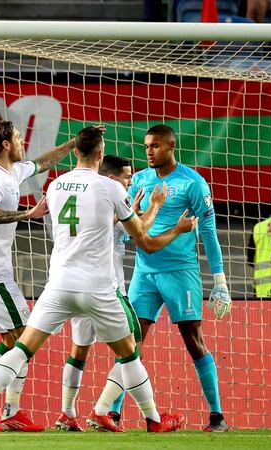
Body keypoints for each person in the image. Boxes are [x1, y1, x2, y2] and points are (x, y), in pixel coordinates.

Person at [0, 126, 186, 434]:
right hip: (97, 288)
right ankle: (154, 420)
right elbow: (141, 234)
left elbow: (42, 165)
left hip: (58, 286)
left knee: (22, 347)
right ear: (100, 154)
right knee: (129, 352)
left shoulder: (55, 186)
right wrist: (156, 207)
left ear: (76, 151)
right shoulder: (111, 189)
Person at [54, 154, 199, 432]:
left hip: (73, 282)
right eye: (126, 177)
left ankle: (67, 413)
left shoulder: (90, 201)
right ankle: (118, 412)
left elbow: (128, 222)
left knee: (79, 349)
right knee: (133, 347)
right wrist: (169, 219)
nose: (130, 182)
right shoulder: (111, 199)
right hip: (106, 289)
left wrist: (137, 211)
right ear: (111, 179)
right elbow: (147, 241)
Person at [0, 120, 93, 432]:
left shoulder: (13, 171)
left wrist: (72, 144)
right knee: (24, 339)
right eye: (18, 137)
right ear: (6, 144)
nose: (23, 141)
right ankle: (7, 412)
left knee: (14, 341)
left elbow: (43, 162)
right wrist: (28, 214)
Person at [123, 124, 232, 432]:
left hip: (181, 273)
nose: (148, 151)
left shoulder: (192, 182)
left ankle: (217, 416)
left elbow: (208, 232)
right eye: (146, 146)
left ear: (171, 146)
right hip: (144, 272)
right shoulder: (140, 181)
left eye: (155, 146)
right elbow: (129, 222)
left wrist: (220, 281)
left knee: (193, 340)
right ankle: (112, 414)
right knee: (130, 342)